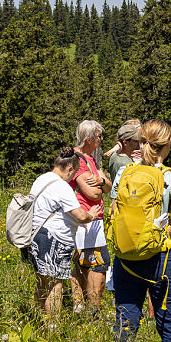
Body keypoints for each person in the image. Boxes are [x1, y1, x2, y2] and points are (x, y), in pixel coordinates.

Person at [110, 119, 171, 342]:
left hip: (126, 257)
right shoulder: (170, 176)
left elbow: (114, 211)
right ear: (166, 146)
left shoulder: (125, 173)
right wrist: (170, 232)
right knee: (169, 321)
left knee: (126, 318)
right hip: (162, 259)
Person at [28, 148, 96, 315]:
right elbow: (79, 215)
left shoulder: (41, 179)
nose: (72, 178)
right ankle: (52, 328)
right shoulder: (61, 186)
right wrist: (91, 215)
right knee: (55, 286)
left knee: (42, 282)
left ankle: (38, 320)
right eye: (73, 175)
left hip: (36, 236)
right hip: (54, 240)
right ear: (70, 168)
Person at [69, 120, 111, 314]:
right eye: (99, 136)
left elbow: (109, 187)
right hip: (84, 219)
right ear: (89, 139)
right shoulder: (77, 160)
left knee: (86, 263)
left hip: (94, 220)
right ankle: (90, 308)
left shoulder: (91, 159)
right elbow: (93, 194)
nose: (101, 139)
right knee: (97, 263)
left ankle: (82, 307)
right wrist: (100, 185)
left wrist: (101, 181)